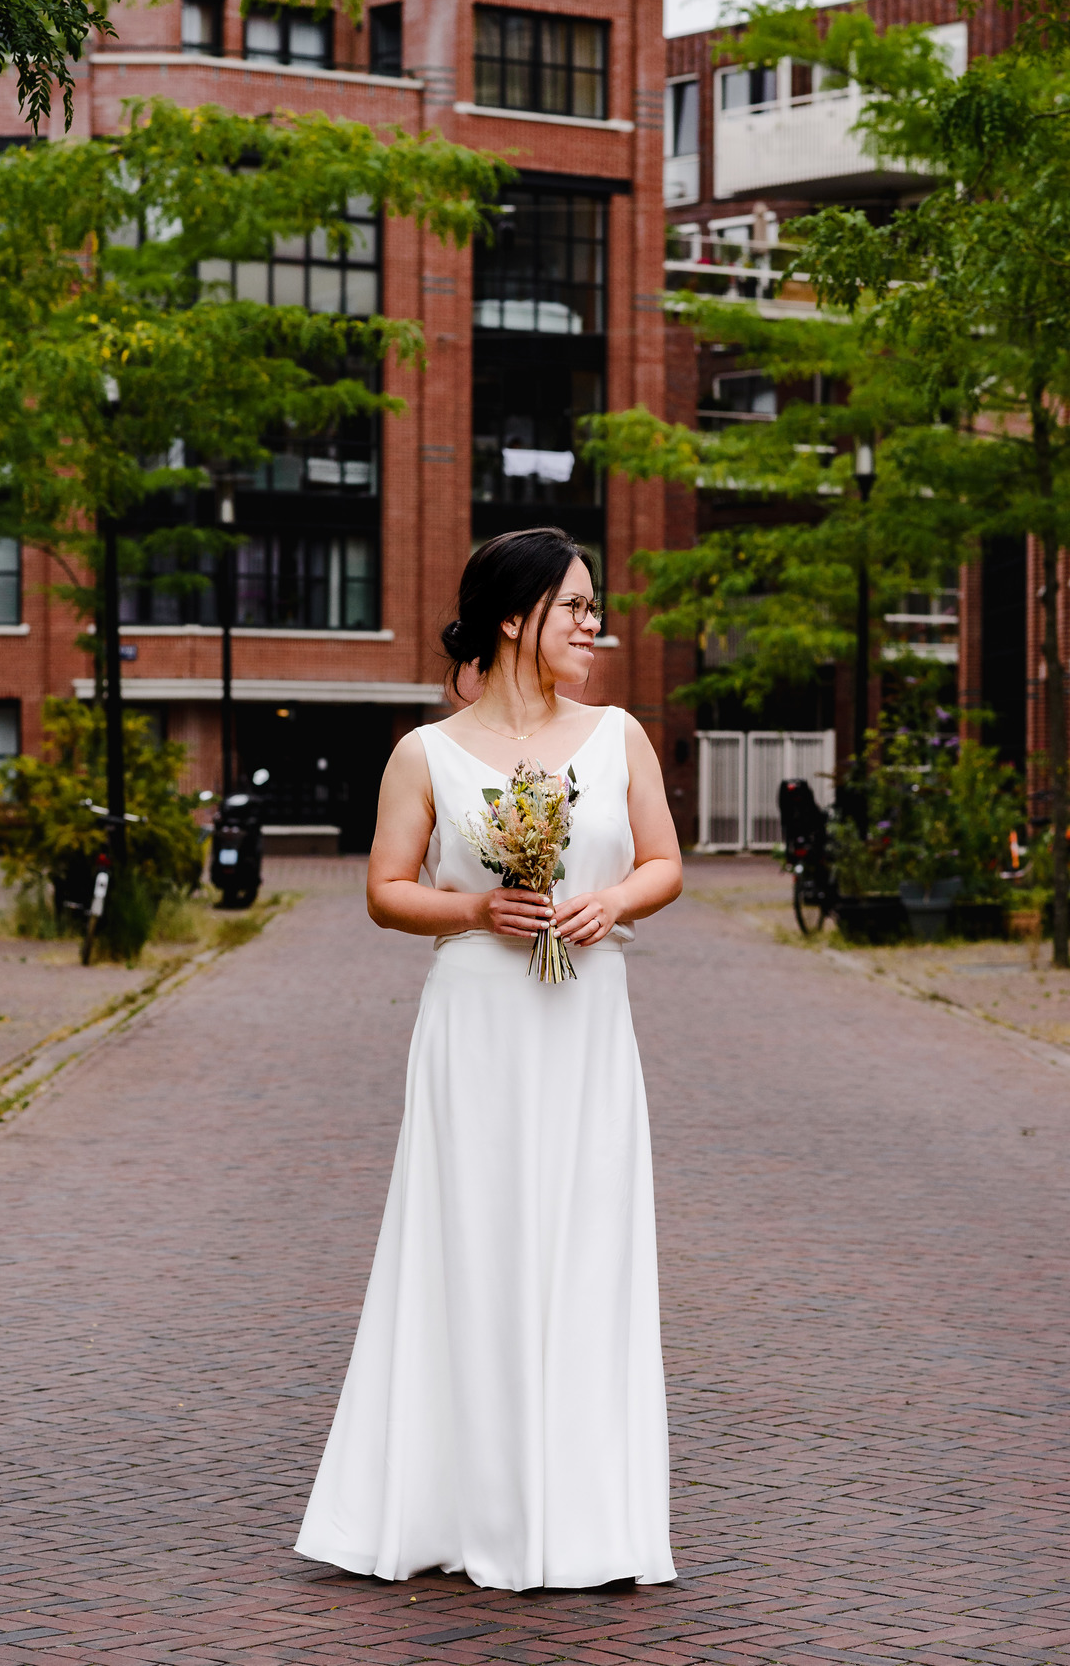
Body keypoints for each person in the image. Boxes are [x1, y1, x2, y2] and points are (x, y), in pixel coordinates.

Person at [295, 527, 683, 1591]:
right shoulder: (427, 753)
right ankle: (459, 1509)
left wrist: (608, 899)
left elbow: (665, 863)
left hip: (586, 1021)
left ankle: (591, 1521)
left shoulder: (620, 737)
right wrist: (477, 906)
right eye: (575, 608)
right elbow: (385, 889)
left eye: (595, 608)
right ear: (516, 618)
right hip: (476, 1022)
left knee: (586, 1245)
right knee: (471, 1246)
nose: (594, 626)